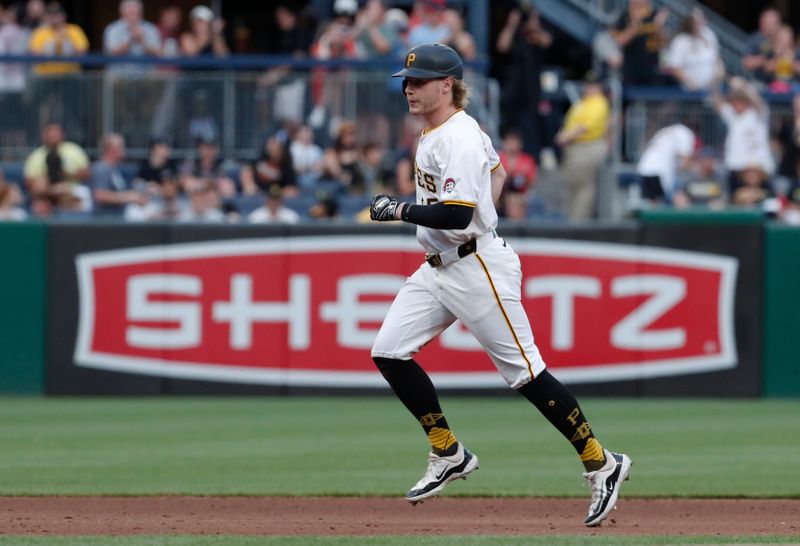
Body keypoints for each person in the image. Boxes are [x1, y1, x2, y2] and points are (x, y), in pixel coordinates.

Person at [367, 43, 631, 526]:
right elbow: (499, 171)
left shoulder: (459, 137)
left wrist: (401, 209)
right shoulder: (437, 131)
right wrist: (479, 216)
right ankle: (447, 451)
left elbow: (457, 213)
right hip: (439, 265)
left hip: (475, 265)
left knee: (526, 372)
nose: (409, 87)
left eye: (419, 80)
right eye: (406, 80)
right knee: (388, 351)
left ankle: (601, 461)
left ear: (446, 85)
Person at [554, 73, 610, 221]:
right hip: (574, 148)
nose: (589, 88)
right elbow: (569, 122)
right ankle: (571, 219)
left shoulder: (599, 102)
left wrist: (566, 136)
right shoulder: (583, 103)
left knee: (583, 187)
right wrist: (562, 134)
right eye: (588, 84)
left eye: (593, 85)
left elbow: (586, 126)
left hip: (588, 146)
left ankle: (579, 221)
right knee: (572, 185)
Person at [711, 76, 774, 198]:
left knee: (766, 199)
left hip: (759, 168)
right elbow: (718, 103)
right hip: (736, 167)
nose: (736, 105)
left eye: (739, 102)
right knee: (736, 199)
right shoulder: (733, 116)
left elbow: (758, 102)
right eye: (734, 102)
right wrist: (716, 79)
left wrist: (744, 86)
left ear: (746, 102)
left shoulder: (757, 114)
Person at [23, 121, 91, 215]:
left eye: (56, 132)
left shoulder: (73, 150)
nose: (53, 135)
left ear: (62, 134)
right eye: (50, 132)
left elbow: (87, 173)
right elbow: (29, 183)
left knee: (83, 199)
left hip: (71, 191)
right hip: (46, 194)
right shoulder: (36, 156)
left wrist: (65, 175)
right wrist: (48, 182)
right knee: (39, 195)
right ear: (44, 135)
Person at [635, 123, 698, 205]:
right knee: (679, 197)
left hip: (643, 168)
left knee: (653, 204)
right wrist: (698, 168)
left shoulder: (667, 130)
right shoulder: (687, 133)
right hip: (659, 172)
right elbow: (685, 163)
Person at [610, 0, 669, 86]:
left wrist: (659, 27)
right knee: (630, 96)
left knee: (653, 96)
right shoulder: (625, 16)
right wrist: (635, 24)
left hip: (652, 68)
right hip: (630, 69)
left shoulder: (656, 15)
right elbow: (620, 42)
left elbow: (663, 45)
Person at [664, 9, 723, 91]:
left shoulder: (709, 34)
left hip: (711, 89)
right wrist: (691, 83)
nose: (699, 23)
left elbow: (717, 60)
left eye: (701, 20)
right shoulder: (680, 40)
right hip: (689, 92)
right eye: (695, 21)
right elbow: (675, 67)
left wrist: (718, 76)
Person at [91, 133, 148, 217]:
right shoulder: (102, 168)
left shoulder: (113, 169)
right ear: (110, 149)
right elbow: (100, 195)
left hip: (120, 216)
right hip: (106, 219)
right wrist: (130, 197)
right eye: (121, 146)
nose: (124, 149)